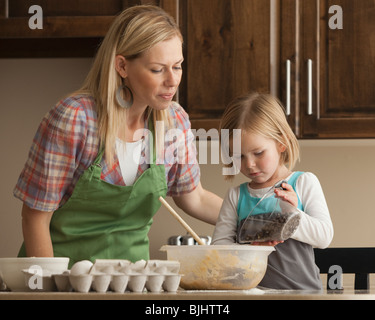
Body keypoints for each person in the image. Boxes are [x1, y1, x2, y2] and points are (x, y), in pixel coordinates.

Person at [14, 5, 222, 267]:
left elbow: (196, 198)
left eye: (178, 66)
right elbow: (35, 217)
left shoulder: (173, 123)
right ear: (122, 66)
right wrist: (47, 289)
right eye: (158, 69)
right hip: (63, 282)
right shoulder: (76, 119)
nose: (172, 80)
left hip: (132, 285)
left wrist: (252, 220)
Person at [212, 92, 333, 290]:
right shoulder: (236, 196)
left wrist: (292, 214)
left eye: (258, 153)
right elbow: (219, 249)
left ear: (281, 142)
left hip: (304, 295)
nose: (249, 164)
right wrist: (251, 250)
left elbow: (324, 237)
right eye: (239, 156)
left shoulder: (303, 183)